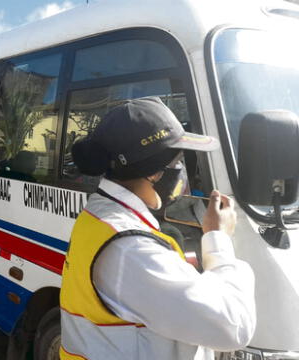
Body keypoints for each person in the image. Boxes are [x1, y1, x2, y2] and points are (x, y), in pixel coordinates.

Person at [59, 97, 256, 360]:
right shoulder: (131, 248)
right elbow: (233, 326)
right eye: (177, 162)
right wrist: (218, 241)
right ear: (154, 172)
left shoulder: (100, 215)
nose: (182, 171)